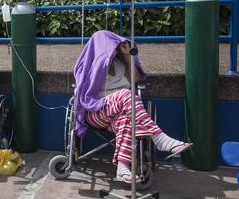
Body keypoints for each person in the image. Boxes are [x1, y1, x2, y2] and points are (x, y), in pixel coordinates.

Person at [74, 30, 193, 183]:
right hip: (96, 112)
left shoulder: (120, 64)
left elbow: (136, 78)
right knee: (126, 94)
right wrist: (101, 61)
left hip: (120, 112)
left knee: (126, 118)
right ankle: (159, 138)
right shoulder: (90, 66)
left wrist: (125, 55)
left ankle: (122, 168)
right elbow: (82, 87)